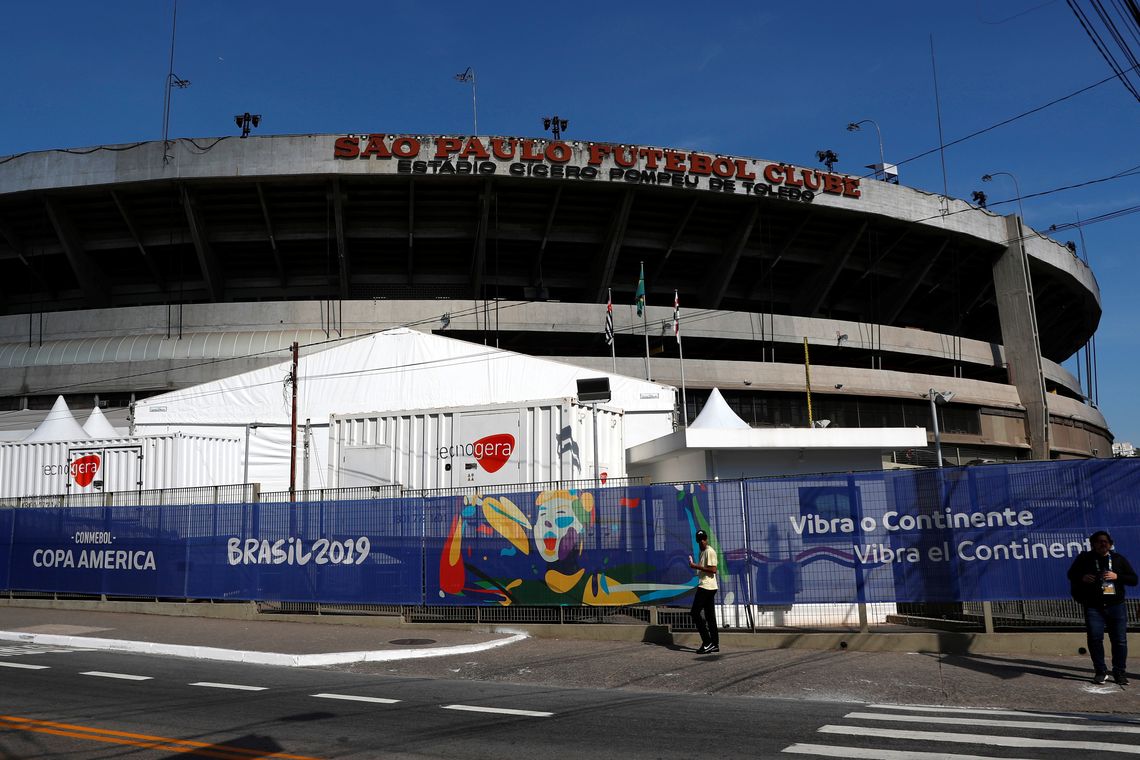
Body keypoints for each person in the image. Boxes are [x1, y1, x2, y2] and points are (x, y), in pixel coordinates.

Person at [1067, 530, 1137, 685]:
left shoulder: (1118, 559)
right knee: (1095, 639)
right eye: (1099, 541)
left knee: (1119, 640)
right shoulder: (1085, 559)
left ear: (1110, 544)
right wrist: (1082, 577)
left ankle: (1119, 672)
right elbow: (1071, 574)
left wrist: (1117, 577)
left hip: (1116, 606)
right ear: (1093, 544)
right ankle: (1100, 671)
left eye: (1105, 541)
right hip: (1093, 607)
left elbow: (1134, 579)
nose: (1102, 544)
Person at [688, 529, 719, 654]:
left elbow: (713, 570)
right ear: (697, 541)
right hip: (709, 586)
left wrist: (695, 566)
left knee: (695, 613)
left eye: (703, 539)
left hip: (706, 587)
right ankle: (715, 644)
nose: (702, 541)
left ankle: (707, 642)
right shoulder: (702, 552)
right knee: (710, 616)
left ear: (706, 539)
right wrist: (694, 565)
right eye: (699, 539)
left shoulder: (709, 551)